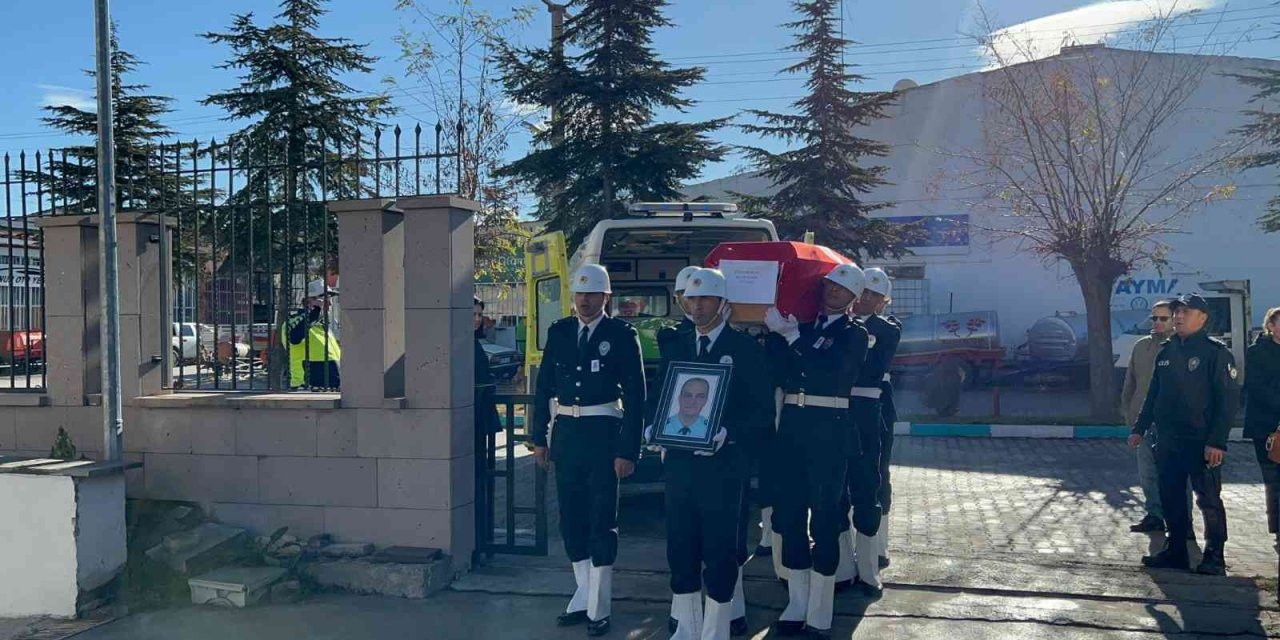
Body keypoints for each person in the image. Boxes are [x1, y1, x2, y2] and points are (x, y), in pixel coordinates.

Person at [651, 268, 771, 640]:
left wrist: (728, 434)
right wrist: (653, 427)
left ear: (723, 305)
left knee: (720, 551)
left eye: (706, 299)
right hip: (681, 466)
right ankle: (685, 628)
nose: (698, 306)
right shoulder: (677, 345)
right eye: (692, 299)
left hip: (724, 467)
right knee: (681, 547)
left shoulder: (745, 349)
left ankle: (716, 630)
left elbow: (762, 413)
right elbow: (659, 395)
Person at [531, 264, 646, 637]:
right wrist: (539, 439)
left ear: (606, 297)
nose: (585, 300)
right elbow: (544, 387)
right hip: (567, 435)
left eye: (593, 294)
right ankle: (584, 594)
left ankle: (599, 606)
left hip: (603, 435)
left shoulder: (621, 335)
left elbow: (636, 395)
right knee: (571, 519)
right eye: (580, 294)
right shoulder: (560, 332)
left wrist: (629, 450)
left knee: (601, 520)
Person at [763, 264, 869, 638]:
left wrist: (792, 339)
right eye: (829, 286)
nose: (832, 292)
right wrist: (773, 334)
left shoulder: (856, 335)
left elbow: (832, 373)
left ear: (854, 298)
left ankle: (821, 610)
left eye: (841, 289)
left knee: (824, 518)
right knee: (789, 516)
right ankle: (797, 601)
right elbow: (779, 370)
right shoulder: (803, 327)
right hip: (793, 428)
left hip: (829, 432)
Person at [1134, 294, 1241, 575]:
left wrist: (1217, 441)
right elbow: (1153, 394)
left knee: (1208, 499)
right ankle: (1176, 550)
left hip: (1202, 442)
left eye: (1187, 312)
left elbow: (1227, 401)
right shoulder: (1168, 351)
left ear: (1202, 318)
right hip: (1169, 440)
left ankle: (1214, 556)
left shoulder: (1215, 352)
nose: (1179, 316)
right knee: (1171, 496)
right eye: (1177, 311)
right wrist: (1139, 427)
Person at [834, 267, 901, 596]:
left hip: (869, 410)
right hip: (839, 409)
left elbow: (869, 367)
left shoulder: (886, 330)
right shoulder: (838, 325)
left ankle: (871, 564)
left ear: (883, 301)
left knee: (870, 481)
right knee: (837, 488)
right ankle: (844, 565)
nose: (868, 300)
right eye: (864, 293)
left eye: (876, 296)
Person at [1122, 301, 1176, 533]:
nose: (1158, 323)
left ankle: (1178, 523)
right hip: (1142, 422)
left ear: (1175, 319)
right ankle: (1154, 515)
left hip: (1171, 424)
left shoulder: (1179, 346)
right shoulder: (1140, 346)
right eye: (1154, 318)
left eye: (1164, 318)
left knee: (1173, 476)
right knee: (1147, 474)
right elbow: (1130, 383)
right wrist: (1130, 416)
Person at [1245, 306, 1280, 599]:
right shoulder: (1258, 352)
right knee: (1273, 480)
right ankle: (1277, 527)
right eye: (1279, 324)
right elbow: (1257, 389)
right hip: (1268, 427)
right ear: (1270, 325)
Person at [282, 279, 341, 390]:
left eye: (330, 298)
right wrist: (315, 311)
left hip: (331, 387)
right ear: (308, 301)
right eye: (324, 298)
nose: (329, 303)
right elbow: (294, 338)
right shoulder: (293, 322)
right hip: (306, 388)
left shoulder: (321, 325)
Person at [474, 296, 502, 435]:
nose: (478, 319)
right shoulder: (462, 342)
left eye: (480, 314)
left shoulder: (475, 341)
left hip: (482, 407)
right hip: (473, 410)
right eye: (473, 314)